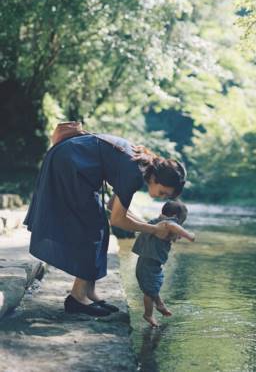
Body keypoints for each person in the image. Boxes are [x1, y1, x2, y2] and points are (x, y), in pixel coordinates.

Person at [24, 133, 187, 317]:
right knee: (93, 228)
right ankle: (77, 298)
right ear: (158, 179)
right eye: (164, 192)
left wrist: (149, 226)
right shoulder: (134, 174)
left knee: (99, 224)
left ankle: (88, 291)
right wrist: (154, 229)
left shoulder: (142, 166)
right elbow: (118, 219)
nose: (162, 197)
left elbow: (112, 207)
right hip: (69, 163)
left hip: (71, 160)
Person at [132, 200, 193, 327]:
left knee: (153, 285)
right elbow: (172, 226)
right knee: (149, 292)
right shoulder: (168, 223)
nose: (180, 225)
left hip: (146, 263)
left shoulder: (156, 222)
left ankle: (160, 305)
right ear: (176, 217)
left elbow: (168, 234)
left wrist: (175, 236)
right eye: (182, 222)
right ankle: (148, 314)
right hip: (148, 265)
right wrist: (188, 235)